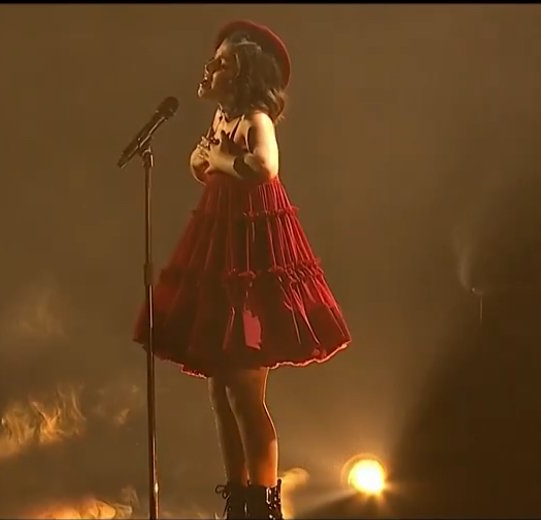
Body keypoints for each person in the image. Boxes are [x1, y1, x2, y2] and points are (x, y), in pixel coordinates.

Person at [133, 20, 351, 520]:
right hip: (223, 246)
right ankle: (237, 494)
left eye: (223, 62)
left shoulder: (256, 120)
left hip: (254, 254)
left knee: (245, 390)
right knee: (220, 387)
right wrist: (207, 159)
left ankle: (263, 501)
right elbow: (205, 166)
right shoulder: (221, 119)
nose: (210, 69)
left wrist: (221, 160)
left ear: (246, 73)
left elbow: (264, 168)